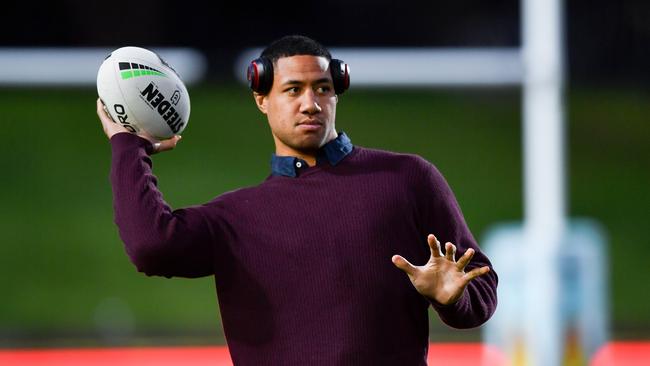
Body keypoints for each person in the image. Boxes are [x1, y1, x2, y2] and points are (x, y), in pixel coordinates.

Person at [97, 35, 498, 365]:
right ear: (261, 99)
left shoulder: (408, 179)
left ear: (337, 94)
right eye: (292, 90)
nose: (311, 103)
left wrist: (455, 299)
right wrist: (129, 145)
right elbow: (150, 246)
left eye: (322, 89)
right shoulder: (236, 219)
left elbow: (481, 288)